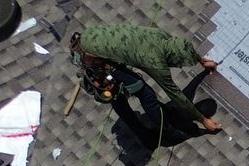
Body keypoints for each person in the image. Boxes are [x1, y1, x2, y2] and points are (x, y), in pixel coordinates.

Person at [71, 24, 222, 139]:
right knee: (141, 93)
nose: (178, 66)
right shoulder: (156, 63)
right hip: (93, 57)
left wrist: (202, 61)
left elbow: (183, 46)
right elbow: (176, 95)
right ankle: (160, 130)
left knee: (131, 85)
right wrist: (203, 120)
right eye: (179, 64)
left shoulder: (160, 36)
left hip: (89, 36)